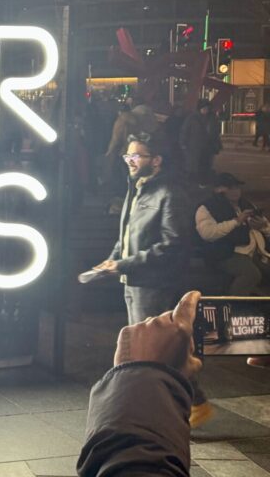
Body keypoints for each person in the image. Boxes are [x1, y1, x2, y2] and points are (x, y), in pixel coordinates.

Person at [91, 132, 211, 426]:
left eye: (136, 156)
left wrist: (125, 263)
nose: (130, 162)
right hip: (133, 279)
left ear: (156, 160)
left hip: (154, 283)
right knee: (146, 348)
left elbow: (172, 244)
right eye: (127, 156)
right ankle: (187, 403)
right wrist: (114, 258)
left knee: (153, 350)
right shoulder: (138, 189)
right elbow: (128, 234)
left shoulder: (169, 194)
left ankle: (182, 405)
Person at [77, 290, 201, 476]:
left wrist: (142, 373)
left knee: (152, 340)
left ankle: (197, 402)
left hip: (150, 283)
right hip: (131, 282)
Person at [196, 172, 270, 295]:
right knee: (251, 274)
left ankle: (261, 302)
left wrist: (264, 227)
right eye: (230, 188)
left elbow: (265, 227)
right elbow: (207, 233)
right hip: (227, 253)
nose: (235, 191)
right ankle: (232, 306)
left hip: (255, 252)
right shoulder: (207, 207)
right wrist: (236, 221)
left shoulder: (247, 204)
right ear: (218, 190)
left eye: (237, 187)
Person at [180, 99, 221, 186]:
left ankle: (203, 182)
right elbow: (185, 131)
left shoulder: (212, 118)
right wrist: (183, 143)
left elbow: (216, 132)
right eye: (204, 108)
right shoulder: (192, 118)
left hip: (208, 146)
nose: (205, 110)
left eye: (207, 108)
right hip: (195, 146)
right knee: (194, 166)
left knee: (206, 165)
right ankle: (192, 183)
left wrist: (216, 143)